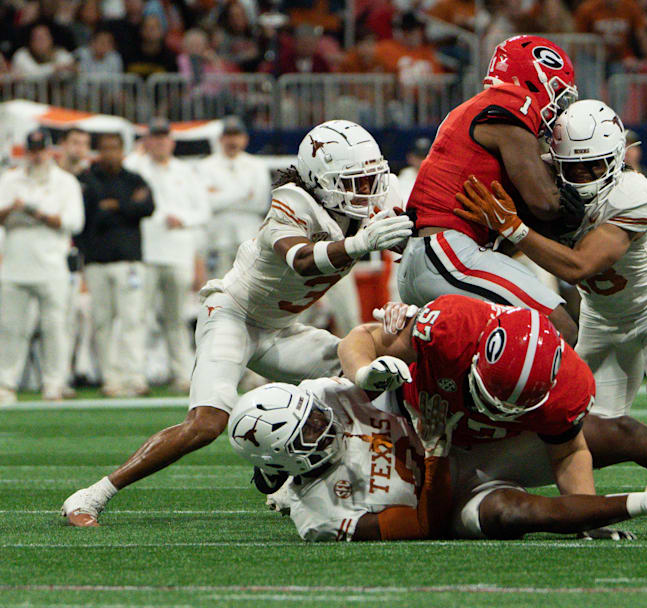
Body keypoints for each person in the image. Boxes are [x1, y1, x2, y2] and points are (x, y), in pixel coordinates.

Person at [61, 120, 414, 527]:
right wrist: (359, 243)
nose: (367, 192)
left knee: (365, 379)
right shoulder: (293, 202)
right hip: (234, 315)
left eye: (371, 179)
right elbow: (299, 258)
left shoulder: (377, 198)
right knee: (207, 424)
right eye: (355, 182)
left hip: (281, 327)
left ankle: (286, 473)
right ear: (320, 180)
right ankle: (93, 495)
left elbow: (417, 244)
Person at [455, 102, 647, 520]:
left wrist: (516, 229)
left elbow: (581, 265)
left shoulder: (636, 193)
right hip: (601, 316)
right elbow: (511, 234)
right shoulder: (547, 187)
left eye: (592, 168)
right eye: (572, 169)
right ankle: (646, 487)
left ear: (615, 159)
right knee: (590, 426)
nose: (580, 179)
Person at [337, 295, 647, 530]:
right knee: (500, 516)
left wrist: (588, 515)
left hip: (489, 453)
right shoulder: (449, 325)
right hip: (415, 448)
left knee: (622, 431)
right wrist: (366, 375)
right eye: (488, 394)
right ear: (477, 353)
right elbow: (358, 339)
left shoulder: (568, 383)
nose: (494, 409)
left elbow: (568, 454)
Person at [228, 377, 647, 541]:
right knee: (515, 514)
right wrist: (433, 455)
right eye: (309, 432)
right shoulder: (322, 518)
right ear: (285, 460)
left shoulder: (320, 396)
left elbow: (375, 364)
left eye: (314, 417)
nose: (323, 424)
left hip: (457, 443)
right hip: (445, 499)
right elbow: (423, 525)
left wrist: (377, 363)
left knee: (611, 430)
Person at [397, 35, 582, 344]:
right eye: (557, 95)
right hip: (448, 252)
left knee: (477, 357)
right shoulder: (511, 101)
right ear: (534, 81)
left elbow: (512, 229)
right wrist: (575, 200)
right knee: (558, 330)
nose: (557, 108)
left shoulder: (478, 107)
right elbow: (545, 203)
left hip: (433, 255)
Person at [124, 118, 209, 393]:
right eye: (154, 138)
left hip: (178, 253)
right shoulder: (136, 168)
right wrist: (138, 151)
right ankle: (135, 376)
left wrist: (181, 219)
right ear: (146, 141)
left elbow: (204, 211)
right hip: (145, 254)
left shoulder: (186, 172)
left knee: (176, 319)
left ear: (171, 142)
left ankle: (183, 375)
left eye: (163, 138)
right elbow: (124, 170)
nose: (159, 143)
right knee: (139, 317)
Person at [0, 130, 84, 404]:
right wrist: (14, 208)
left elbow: (74, 222)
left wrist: (35, 213)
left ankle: (54, 384)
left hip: (51, 265)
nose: (36, 156)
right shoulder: (10, 179)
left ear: (50, 151)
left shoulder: (65, 182)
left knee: (55, 327)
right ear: (26, 152)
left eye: (41, 150)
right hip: (15, 265)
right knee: (11, 327)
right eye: (32, 151)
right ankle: (6, 384)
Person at [76, 132, 155, 397]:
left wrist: (115, 206)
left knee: (133, 319)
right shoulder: (86, 179)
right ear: (98, 152)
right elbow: (89, 215)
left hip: (129, 260)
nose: (110, 153)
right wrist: (125, 207)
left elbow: (147, 206)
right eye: (105, 148)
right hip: (97, 260)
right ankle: (111, 379)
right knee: (102, 322)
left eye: (115, 148)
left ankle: (135, 377)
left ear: (123, 151)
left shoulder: (134, 178)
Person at [198, 116, 271, 279]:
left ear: (245, 139)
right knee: (218, 285)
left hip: (249, 235)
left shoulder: (257, 165)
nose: (232, 141)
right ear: (220, 139)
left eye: (236, 136)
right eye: (228, 136)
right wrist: (243, 193)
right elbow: (207, 203)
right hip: (218, 236)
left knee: (250, 284)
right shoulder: (206, 166)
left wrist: (221, 194)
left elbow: (259, 203)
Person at [396, 136, 430, 203]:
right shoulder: (404, 177)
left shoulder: (438, 176)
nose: (422, 160)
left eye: (425, 156)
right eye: (419, 157)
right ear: (410, 157)